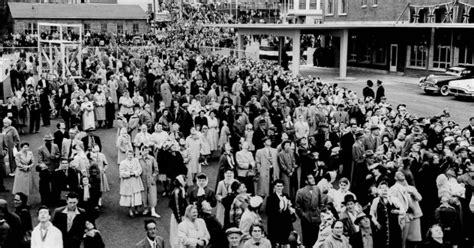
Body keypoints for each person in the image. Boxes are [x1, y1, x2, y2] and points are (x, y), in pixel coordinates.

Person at [266, 179, 294, 247]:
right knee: (276, 243)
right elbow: (268, 211)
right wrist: (278, 211)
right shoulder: (270, 198)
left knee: (286, 242)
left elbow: (289, 207)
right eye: (278, 186)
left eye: (281, 186)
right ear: (274, 187)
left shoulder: (286, 196)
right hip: (275, 224)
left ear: (283, 187)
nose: (279, 188)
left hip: (285, 224)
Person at [37, 133, 61, 206]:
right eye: (47, 140)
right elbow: (40, 160)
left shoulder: (55, 146)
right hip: (45, 169)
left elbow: (58, 154)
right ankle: (45, 201)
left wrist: (55, 157)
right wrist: (45, 167)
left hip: (54, 167)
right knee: (44, 186)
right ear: (45, 141)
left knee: (55, 185)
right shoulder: (40, 148)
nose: (49, 141)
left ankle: (55, 200)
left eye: (50, 140)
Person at [119, 150, 144, 217]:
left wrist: (135, 173)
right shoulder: (123, 163)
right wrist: (129, 174)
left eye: (131, 155)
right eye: (129, 154)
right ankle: (130, 210)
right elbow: (121, 173)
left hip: (135, 181)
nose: (130, 156)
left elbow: (140, 169)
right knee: (129, 197)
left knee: (136, 196)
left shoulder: (136, 161)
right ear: (126, 155)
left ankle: (136, 209)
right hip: (127, 182)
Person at [138, 144, 160, 218]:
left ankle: (153, 210)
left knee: (152, 195)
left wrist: (153, 177)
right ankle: (146, 208)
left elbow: (156, 170)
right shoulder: (138, 159)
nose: (146, 152)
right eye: (144, 150)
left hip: (150, 179)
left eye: (147, 150)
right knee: (144, 195)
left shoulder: (152, 159)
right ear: (141, 151)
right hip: (142, 179)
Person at [169, 175, 188, 248]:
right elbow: (177, 207)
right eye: (185, 180)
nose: (186, 182)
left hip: (183, 214)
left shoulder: (182, 189)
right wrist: (179, 219)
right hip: (179, 216)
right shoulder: (177, 192)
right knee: (178, 232)